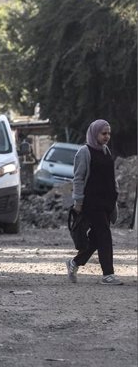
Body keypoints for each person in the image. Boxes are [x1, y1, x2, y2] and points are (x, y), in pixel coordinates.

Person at [66, 119, 122, 285]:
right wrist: (78, 201)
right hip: (92, 202)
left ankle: (74, 262)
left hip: (107, 202)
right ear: (94, 133)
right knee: (104, 234)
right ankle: (108, 274)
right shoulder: (84, 152)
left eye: (108, 133)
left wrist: (116, 195)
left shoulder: (106, 151)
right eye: (103, 133)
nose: (107, 137)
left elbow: (110, 177)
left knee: (97, 237)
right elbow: (78, 178)